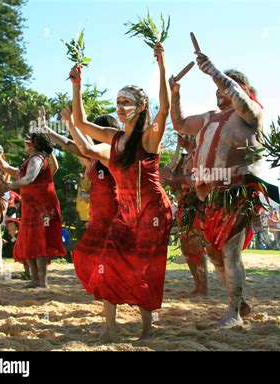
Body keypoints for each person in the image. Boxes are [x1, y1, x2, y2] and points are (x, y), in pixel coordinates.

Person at [70, 42, 172, 341]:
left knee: (144, 270)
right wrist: (77, 85)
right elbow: (80, 123)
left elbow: (164, 108)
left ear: (140, 107)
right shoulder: (113, 138)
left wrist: (162, 64)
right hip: (125, 214)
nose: (120, 107)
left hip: (153, 211)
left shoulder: (149, 138)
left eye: (126, 102)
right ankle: (110, 329)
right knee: (108, 263)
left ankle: (147, 329)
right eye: (117, 102)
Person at [169, 47, 272, 328]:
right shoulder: (208, 117)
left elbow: (241, 100)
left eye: (225, 86)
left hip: (237, 193)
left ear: (240, 89)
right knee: (213, 252)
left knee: (230, 251)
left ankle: (234, 312)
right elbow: (178, 124)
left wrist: (214, 72)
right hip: (209, 197)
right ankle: (239, 302)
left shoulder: (251, 115)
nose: (219, 91)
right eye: (217, 86)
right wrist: (175, 93)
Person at [45, 107, 120, 296]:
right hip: (97, 213)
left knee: (108, 254)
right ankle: (106, 288)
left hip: (113, 211)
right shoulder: (92, 159)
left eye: (95, 127)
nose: (90, 130)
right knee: (89, 255)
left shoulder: (110, 154)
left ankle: (112, 289)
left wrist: (71, 123)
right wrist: (49, 130)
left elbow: (80, 145)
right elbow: (71, 144)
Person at [0, 131, 66, 288]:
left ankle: (42, 280)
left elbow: (29, 178)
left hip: (42, 206)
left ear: (33, 144)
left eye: (28, 138)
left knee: (39, 241)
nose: (25, 140)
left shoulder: (37, 158)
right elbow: (5, 167)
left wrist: (9, 186)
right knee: (28, 240)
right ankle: (35, 279)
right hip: (31, 206)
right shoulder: (29, 161)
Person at [160, 134, 208, 296]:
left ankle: (204, 286)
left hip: (196, 205)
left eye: (187, 135)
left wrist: (171, 175)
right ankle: (197, 285)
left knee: (196, 245)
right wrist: (167, 181)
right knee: (186, 248)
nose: (182, 138)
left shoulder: (200, 156)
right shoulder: (184, 158)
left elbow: (195, 180)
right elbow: (180, 185)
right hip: (183, 205)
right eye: (181, 136)